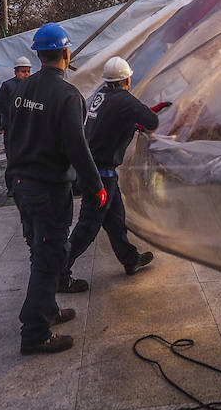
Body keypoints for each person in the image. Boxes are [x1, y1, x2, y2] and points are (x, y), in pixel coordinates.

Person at [6, 23, 103, 355]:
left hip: (21, 185)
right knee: (49, 257)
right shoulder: (67, 95)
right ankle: (34, 332)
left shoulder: (19, 90)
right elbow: (78, 147)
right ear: (66, 53)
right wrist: (95, 185)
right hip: (48, 189)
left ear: (38, 55)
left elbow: (11, 137)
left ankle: (47, 309)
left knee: (40, 250)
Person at [57, 56, 158, 293]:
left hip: (95, 170)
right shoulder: (124, 100)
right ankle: (59, 273)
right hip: (100, 176)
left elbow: (110, 123)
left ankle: (130, 259)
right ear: (127, 78)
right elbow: (152, 121)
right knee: (87, 227)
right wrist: (139, 119)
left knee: (115, 220)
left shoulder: (101, 96)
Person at [0, 56, 32, 197]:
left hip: (27, 129)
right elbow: (2, 106)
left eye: (28, 71)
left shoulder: (31, 85)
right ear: (16, 72)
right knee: (12, 159)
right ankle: (11, 187)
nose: (26, 74)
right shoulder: (7, 86)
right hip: (12, 129)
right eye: (23, 71)